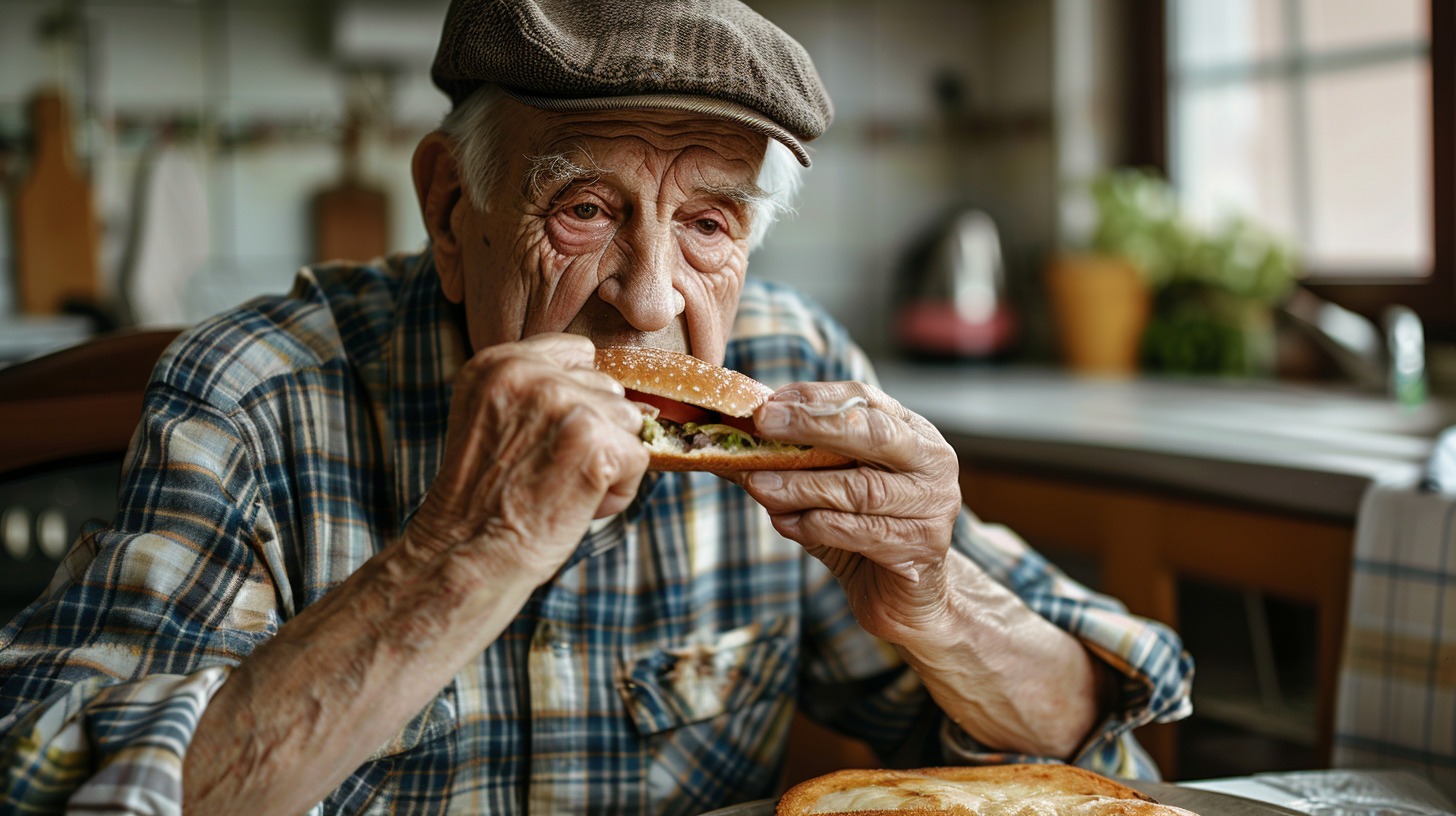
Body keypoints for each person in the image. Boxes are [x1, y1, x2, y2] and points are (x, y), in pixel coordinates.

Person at [0, 1, 1193, 813]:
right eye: (584, 209)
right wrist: (463, 555)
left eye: (708, 223)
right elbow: (55, 783)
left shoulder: (789, 363)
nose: (648, 295)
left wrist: (936, 600)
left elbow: (1088, 738)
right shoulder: (255, 395)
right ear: (449, 205)